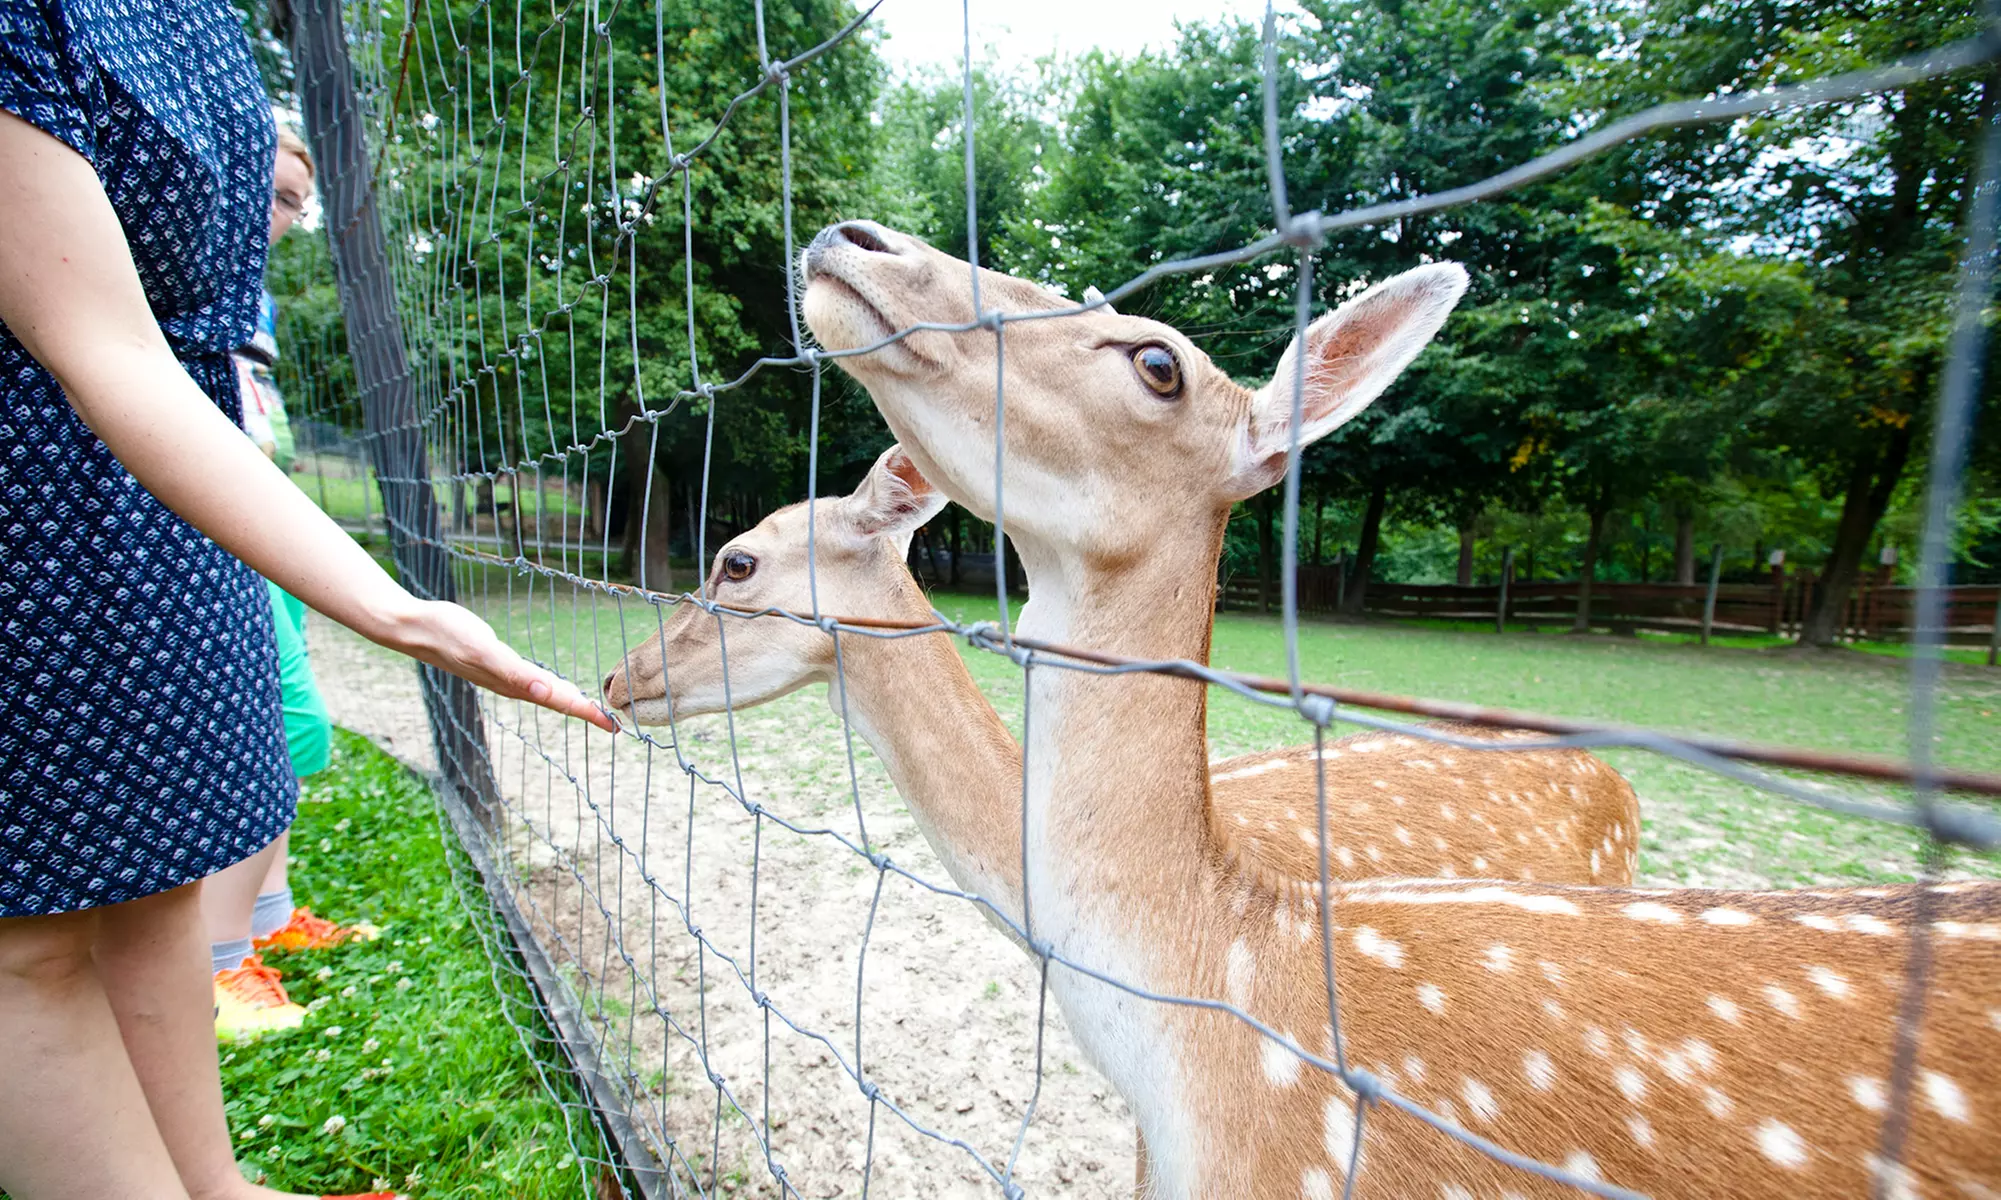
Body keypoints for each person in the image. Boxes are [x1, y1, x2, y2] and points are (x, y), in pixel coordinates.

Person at [0, 2, 612, 1197]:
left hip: (181, 490)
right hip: (41, 498)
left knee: (161, 881)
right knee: (30, 946)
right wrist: (400, 610)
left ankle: (214, 1182)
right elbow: (97, 338)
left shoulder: (205, 16)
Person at [206, 127, 376, 1041]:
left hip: (252, 525)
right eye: (273, 195)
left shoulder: (246, 293)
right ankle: (220, 967)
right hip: (210, 528)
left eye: (294, 208)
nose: (282, 219)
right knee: (272, 729)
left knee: (282, 730)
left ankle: (266, 924)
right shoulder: (176, 276)